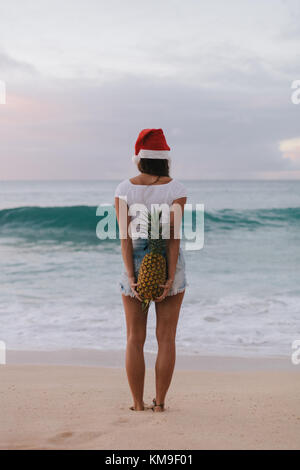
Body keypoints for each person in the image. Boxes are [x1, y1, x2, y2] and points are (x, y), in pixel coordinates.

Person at [114, 128, 187, 412]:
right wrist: (170, 276)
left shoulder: (124, 189)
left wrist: (131, 275)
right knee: (166, 336)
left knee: (134, 336)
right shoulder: (176, 189)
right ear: (164, 159)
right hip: (168, 258)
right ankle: (160, 403)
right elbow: (173, 237)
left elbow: (125, 237)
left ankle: (137, 404)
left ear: (139, 158)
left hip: (133, 257)